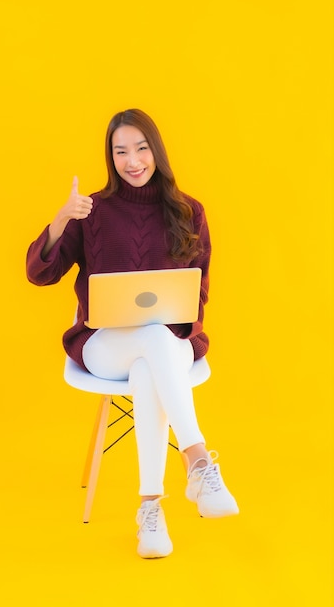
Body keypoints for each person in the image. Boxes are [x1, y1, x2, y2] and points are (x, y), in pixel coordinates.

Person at [26, 108, 239, 559]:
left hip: (171, 342)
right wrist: (63, 218)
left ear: (156, 152)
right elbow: (39, 274)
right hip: (106, 345)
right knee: (152, 343)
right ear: (111, 158)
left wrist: (169, 328)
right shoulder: (92, 211)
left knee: (154, 353)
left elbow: (198, 291)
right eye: (121, 151)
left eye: (141, 148)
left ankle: (150, 510)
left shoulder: (189, 211)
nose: (132, 160)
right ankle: (198, 461)